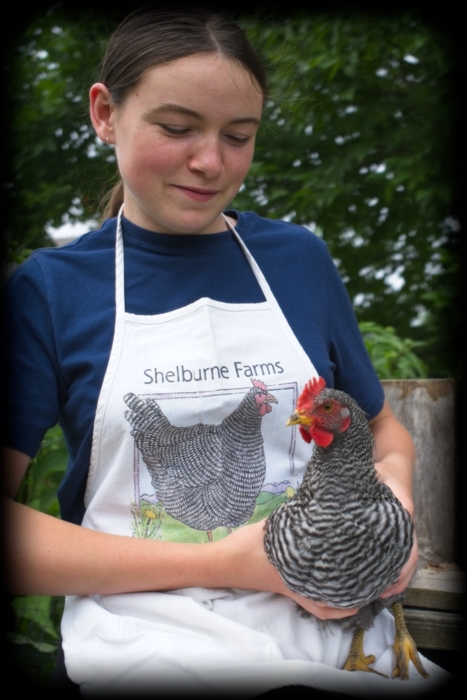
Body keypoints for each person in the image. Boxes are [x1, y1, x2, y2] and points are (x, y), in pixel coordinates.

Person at [2, 7, 439, 697]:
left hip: (336, 632)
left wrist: (394, 509)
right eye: (177, 128)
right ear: (105, 114)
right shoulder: (51, 290)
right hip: (146, 640)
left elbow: (381, 428)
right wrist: (234, 562)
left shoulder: (297, 260)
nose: (210, 162)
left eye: (238, 136)